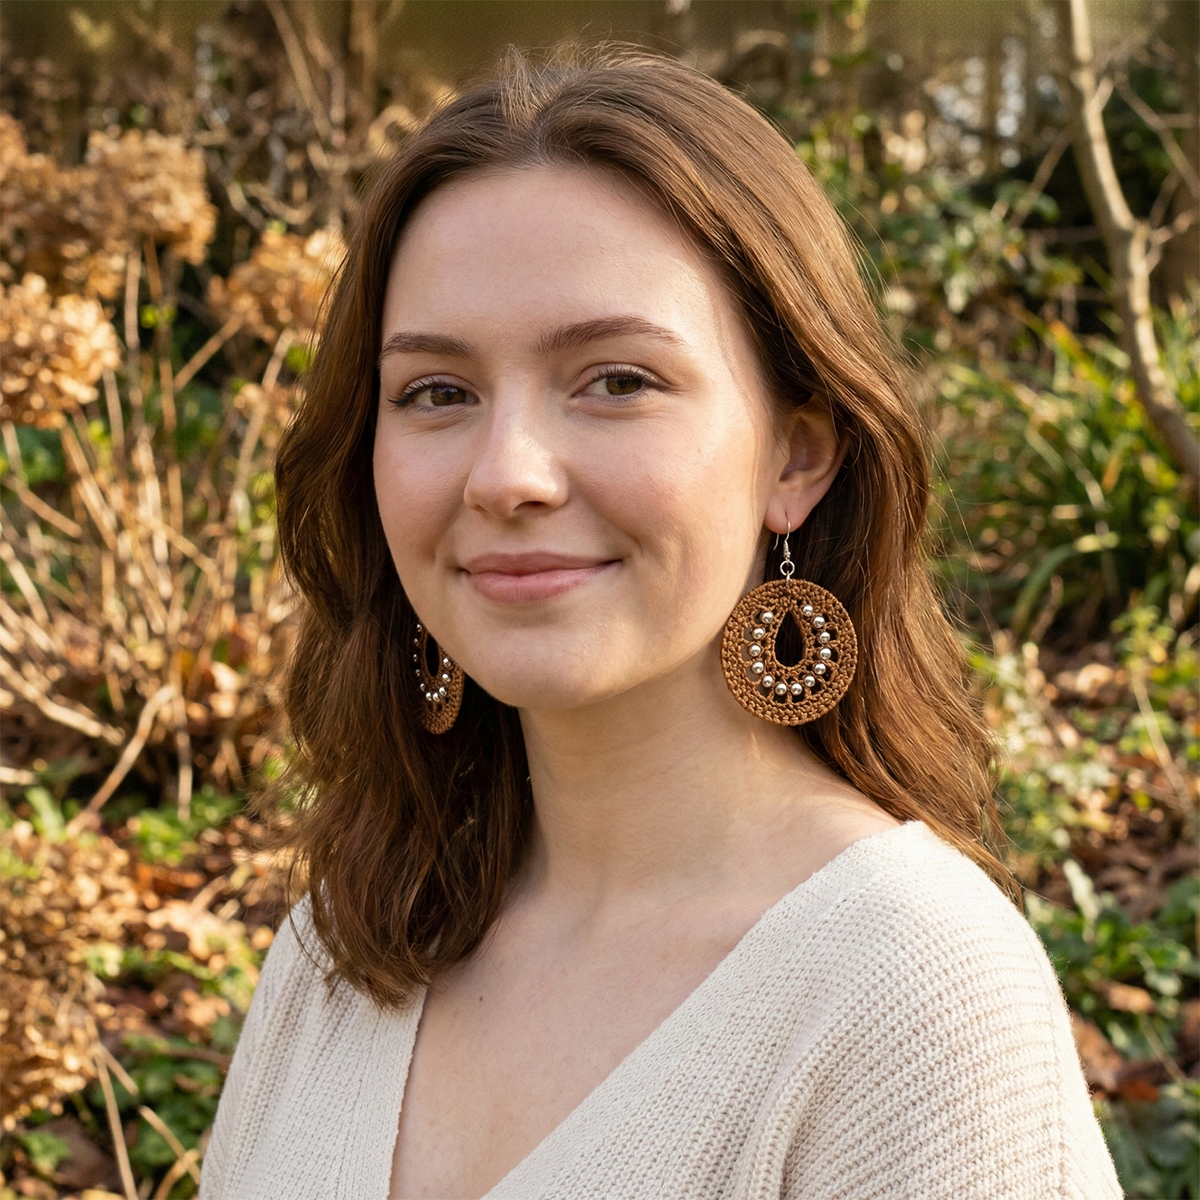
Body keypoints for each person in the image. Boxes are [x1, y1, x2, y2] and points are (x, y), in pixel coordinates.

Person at [199, 48, 1121, 1200]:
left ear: (797, 454)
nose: (507, 476)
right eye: (438, 392)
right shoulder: (343, 954)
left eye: (616, 380)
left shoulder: (909, 993)